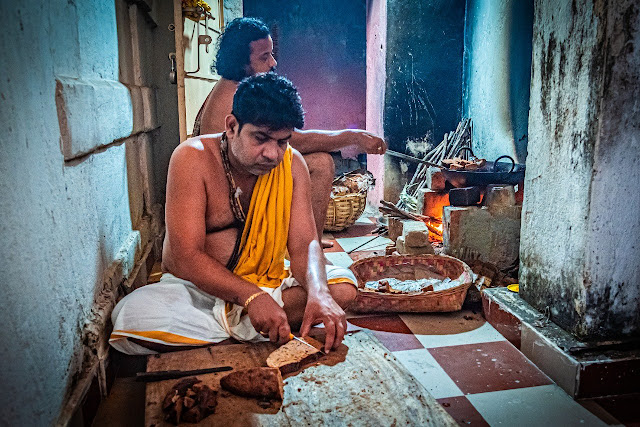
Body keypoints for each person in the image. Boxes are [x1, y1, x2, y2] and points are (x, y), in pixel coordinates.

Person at [109, 73, 358, 355]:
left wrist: (318, 292)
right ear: (232, 126)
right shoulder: (192, 158)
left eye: (282, 142)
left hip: (268, 282)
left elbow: (304, 244)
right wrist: (251, 297)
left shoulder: (291, 165)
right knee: (132, 317)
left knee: (342, 287)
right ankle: (257, 326)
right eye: (261, 138)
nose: (272, 154)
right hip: (201, 291)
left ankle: (240, 331)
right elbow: (183, 256)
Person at [193, 17, 387, 247]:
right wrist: (351, 137)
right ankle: (307, 244)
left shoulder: (234, 86)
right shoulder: (235, 95)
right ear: (241, 61)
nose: (273, 63)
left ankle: (305, 242)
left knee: (305, 161)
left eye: (272, 54)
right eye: (264, 57)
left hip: (244, 175)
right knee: (321, 164)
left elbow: (288, 138)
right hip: (231, 193)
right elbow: (296, 140)